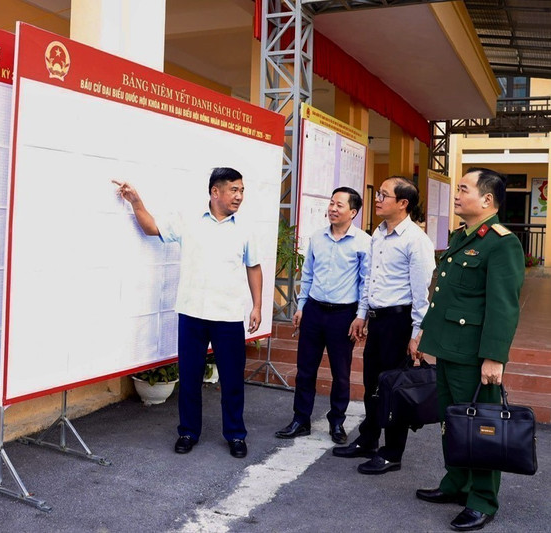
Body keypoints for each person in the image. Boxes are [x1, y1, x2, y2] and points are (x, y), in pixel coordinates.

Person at [113, 167, 263, 458]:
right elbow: (151, 228)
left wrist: (256, 306)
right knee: (190, 377)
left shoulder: (245, 229)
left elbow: (253, 266)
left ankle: (235, 435)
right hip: (192, 313)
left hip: (229, 316)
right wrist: (136, 201)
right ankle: (188, 432)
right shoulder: (189, 222)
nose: (239, 196)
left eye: (242, 190)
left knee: (232, 380)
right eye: (234, 189)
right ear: (215, 192)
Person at [415, 168, 525, 532]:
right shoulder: (462, 235)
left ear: (487, 200)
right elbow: (446, 295)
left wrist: (495, 356)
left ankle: (482, 499)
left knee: (481, 428)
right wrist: (424, 336)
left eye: (463, 189)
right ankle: (455, 483)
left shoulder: (501, 242)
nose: (457, 195)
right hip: (448, 348)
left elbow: (503, 305)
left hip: (475, 354)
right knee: (452, 423)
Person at [333, 176, 435, 474]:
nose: (377, 199)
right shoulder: (378, 233)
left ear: (403, 203)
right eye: (378, 193)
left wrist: (417, 334)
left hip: (399, 322)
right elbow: (371, 280)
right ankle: (368, 439)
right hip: (377, 321)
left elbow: (422, 294)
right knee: (372, 386)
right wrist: (362, 313)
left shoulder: (416, 240)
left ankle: (392, 452)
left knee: (395, 389)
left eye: (384, 195)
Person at [275, 187, 370, 444]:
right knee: (305, 369)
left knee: (341, 373)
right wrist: (301, 306)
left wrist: (361, 315)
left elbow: (366, 282)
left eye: (339, 205)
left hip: (343, 314)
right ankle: (300, 419)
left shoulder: (363, 242)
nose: (333, 209)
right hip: (314, 311)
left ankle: (337, 422)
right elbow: (307, 276)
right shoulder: (317, 237)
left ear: (353, 211)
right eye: (331, 203)